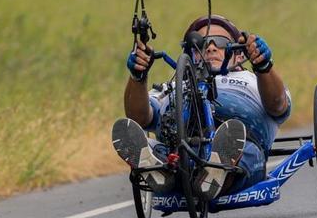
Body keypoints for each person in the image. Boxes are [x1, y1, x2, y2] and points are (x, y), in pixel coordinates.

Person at [111, 15, 292, 199]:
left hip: (242, 147)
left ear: (238, 54)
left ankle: (215, 171)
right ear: (191, 55)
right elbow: (139, 118)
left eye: (221, 42)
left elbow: (278, 106)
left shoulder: (254, 81)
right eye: (202, 43)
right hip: (180, 153)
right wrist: (138, 76)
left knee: (244, 150)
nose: (211, 47)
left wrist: (263, 67)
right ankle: (159, 169)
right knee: (153, 147)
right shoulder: (174, 86)